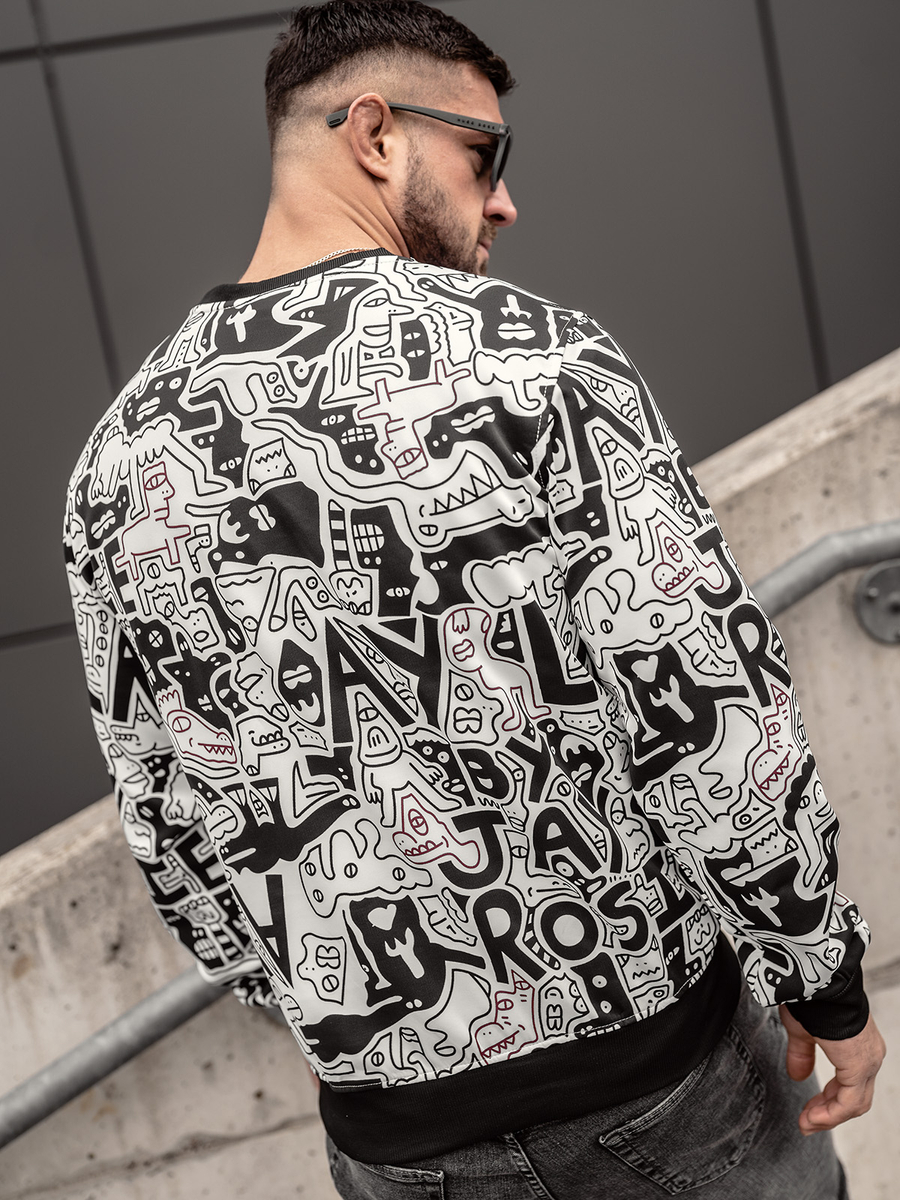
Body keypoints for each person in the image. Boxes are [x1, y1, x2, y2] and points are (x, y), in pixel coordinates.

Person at [63, 2, 884, 1196]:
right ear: (375, 133)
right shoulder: (535, 360)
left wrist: (336, 1011)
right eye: (484, 155)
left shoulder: (116, 464)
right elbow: (705, 706)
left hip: (394, 1136)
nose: (505, 202)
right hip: (660, 1082)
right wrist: (822, 977)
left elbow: (164, 818)